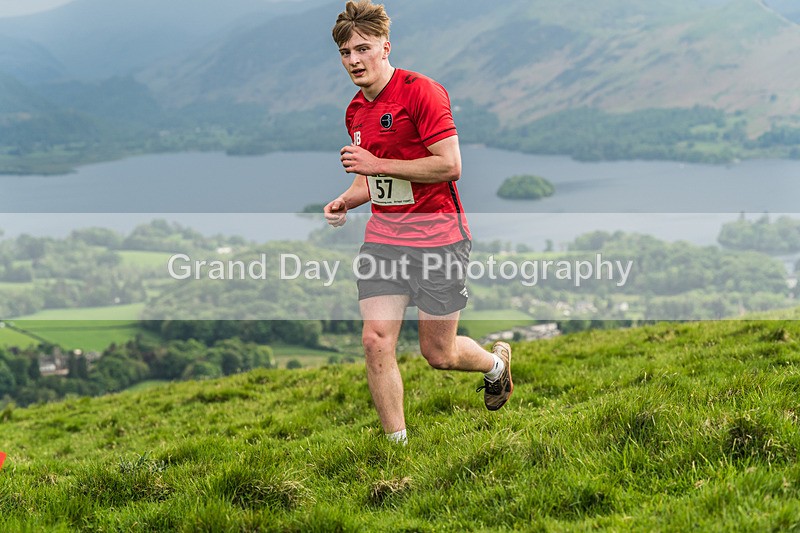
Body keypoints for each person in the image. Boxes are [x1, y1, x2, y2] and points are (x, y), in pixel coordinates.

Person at [324, 0, 512, 445]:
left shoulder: (421, 92)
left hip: (439, 238)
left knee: (438, 353)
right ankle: (397, 451)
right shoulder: (355, 111)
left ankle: (496, 365)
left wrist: (377, 162)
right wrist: (346, 200)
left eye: (362, 49)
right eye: (345, 53)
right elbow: (369, 180)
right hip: (384, 241)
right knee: (375, 340)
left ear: (385, 47)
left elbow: (449, 166)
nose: (354, 60)